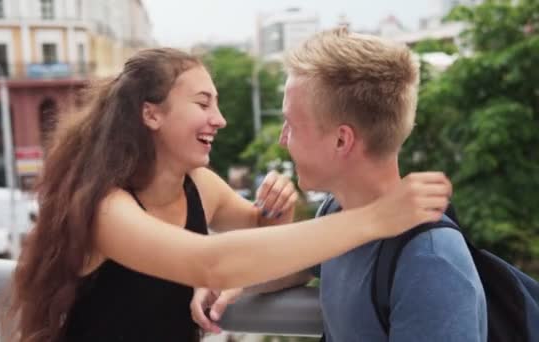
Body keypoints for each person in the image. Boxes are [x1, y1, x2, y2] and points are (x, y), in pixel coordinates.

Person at [5, 47, 452, 342]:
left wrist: (278, 204)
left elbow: (266, 245)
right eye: (203, 103)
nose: (219, 119)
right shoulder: (107, 208)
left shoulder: (199, 185)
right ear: (151, 114)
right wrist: (378, 218)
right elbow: (209, 261)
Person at [191, 28, 486, 342]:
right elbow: (304, 265)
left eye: (291, 124)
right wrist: (229, 284)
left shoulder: (431, 266)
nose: (282, 139)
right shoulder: (337, 212)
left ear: (341, 140)